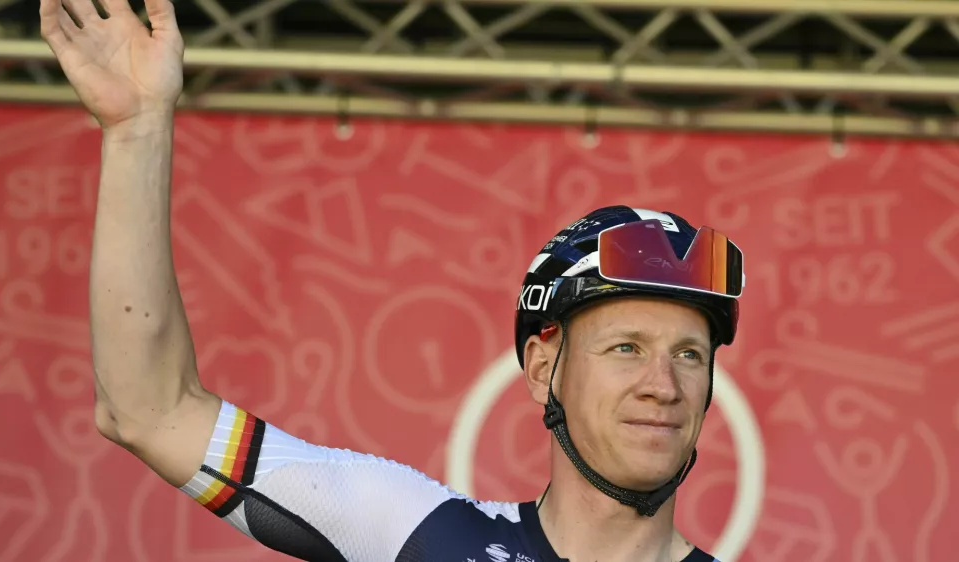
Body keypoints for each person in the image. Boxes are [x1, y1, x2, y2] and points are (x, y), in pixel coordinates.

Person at [40, 0, 744, 560]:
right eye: (626, 347)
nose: (664, 383)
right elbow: (147, 409)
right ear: (541, 367)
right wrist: (136, 129)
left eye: (689, 353)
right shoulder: (413, 532)